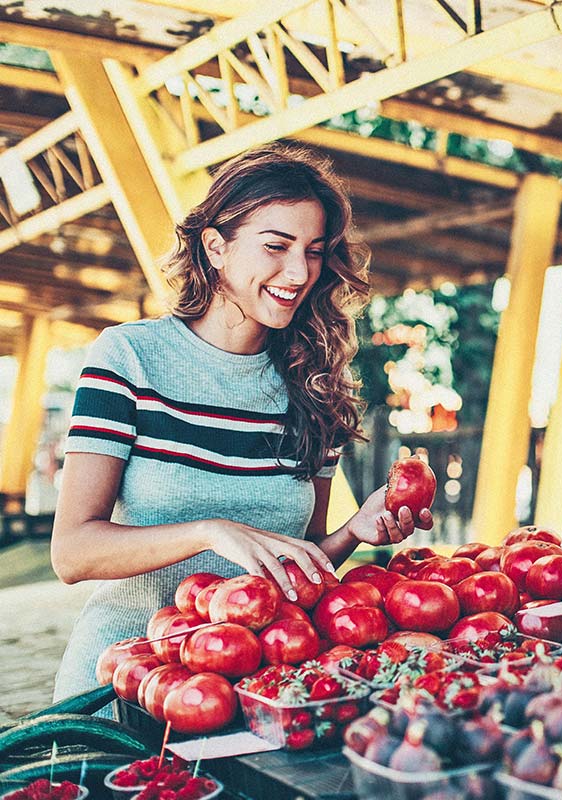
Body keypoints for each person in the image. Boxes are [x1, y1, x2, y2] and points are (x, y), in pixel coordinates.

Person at [50, 143, 432, 700]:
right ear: (215, 248)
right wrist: (210, 532)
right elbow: (72, 553)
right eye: (276, 246)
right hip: (126, 681)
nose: (299, 272)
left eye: (315, 251)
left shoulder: (318, 385)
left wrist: (353, 532)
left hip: (257, 694)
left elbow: (293, 572)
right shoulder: (129, 357)